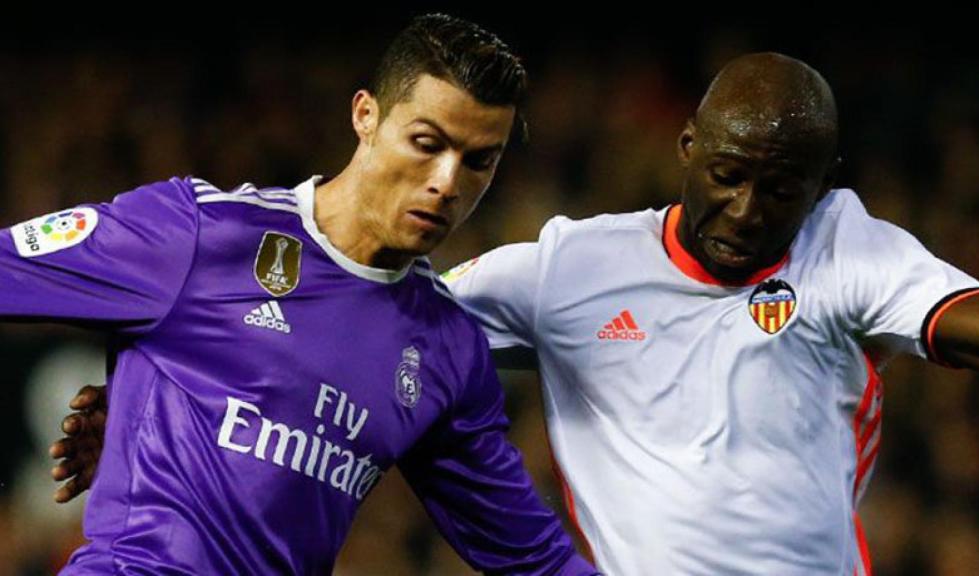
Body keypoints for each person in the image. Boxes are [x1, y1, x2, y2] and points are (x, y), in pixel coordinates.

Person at [54, 53, 979, 574]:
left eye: (781, 190)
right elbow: (361, 333)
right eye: (726, 176)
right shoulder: (572, 267)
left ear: (823, 183)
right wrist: (163, 398)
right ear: (685, 148)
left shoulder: (845, 246)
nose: (747, 210)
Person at [5, 13, 597, 576]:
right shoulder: (202, 235)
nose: (446, 182)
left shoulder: (447, 348)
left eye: (478, 161)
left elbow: (533, 557)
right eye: (426, 143)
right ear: (366, 115)